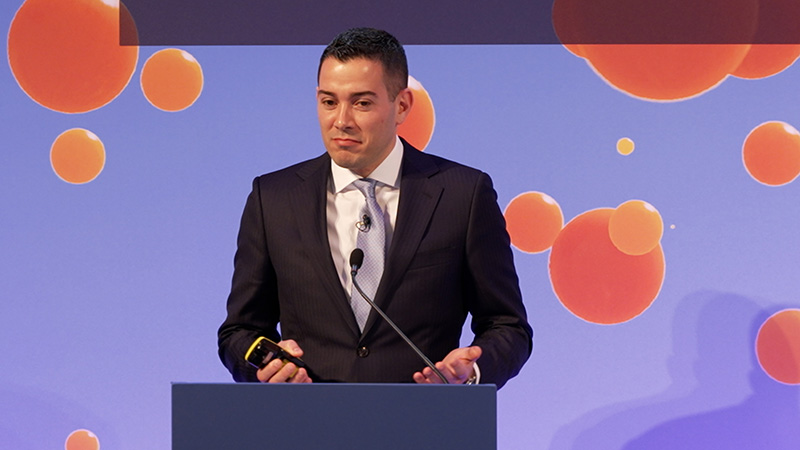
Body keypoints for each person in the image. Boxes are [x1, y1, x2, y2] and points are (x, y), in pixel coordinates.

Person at [218, 27, 532, 388]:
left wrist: (470, 373)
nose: (341, 121)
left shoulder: (463, 194)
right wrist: (264, 367)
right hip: (308, 417)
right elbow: (239, 331)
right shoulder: (273, 198)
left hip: (422, 417)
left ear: (402, 106)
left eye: (362, 103)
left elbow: (507, 327)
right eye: (329, 102)